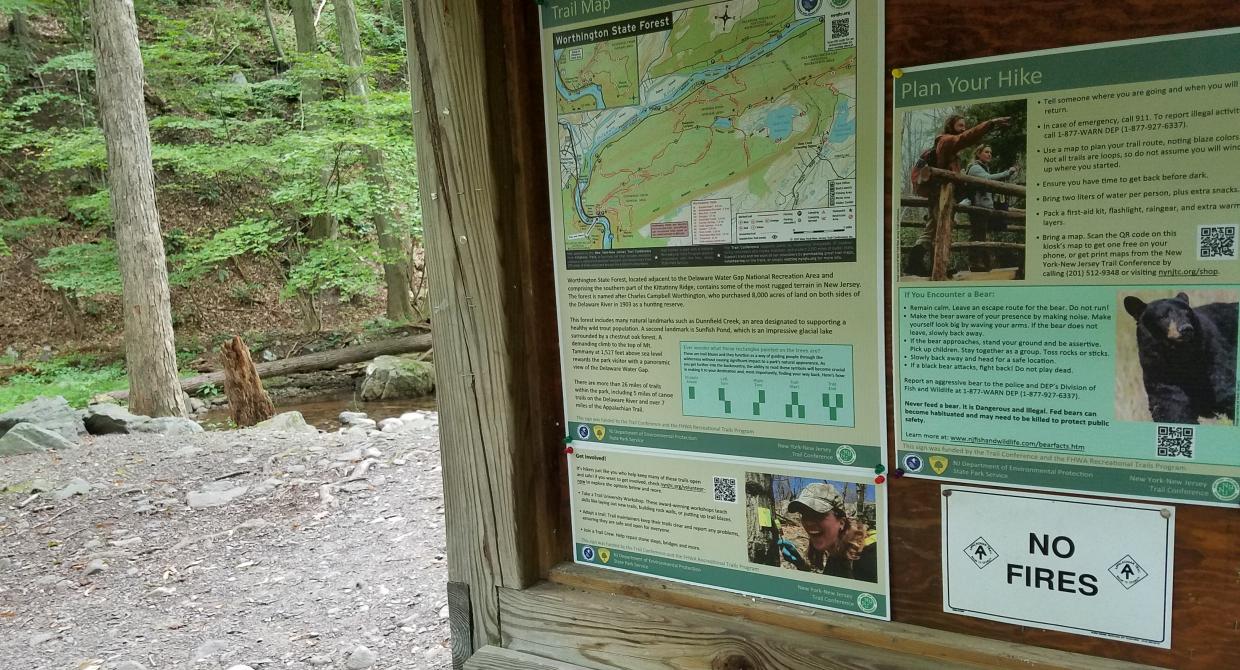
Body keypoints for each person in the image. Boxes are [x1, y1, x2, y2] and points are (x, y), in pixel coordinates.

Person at [905, 114, 1013, 277]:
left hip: (940, 193)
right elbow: (966, 138)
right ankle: (921, 265)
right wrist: (990, 123)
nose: (963, 128)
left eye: (964, 125)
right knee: (941, 226)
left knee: (934, 228)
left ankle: (927, 266)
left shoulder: (948, 148)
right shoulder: (946, 141)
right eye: (960, 125)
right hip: (941, 194)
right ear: (950, 126)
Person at [776, 483, 878, 582]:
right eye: (805, 515)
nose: (809, 522)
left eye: (818, 514)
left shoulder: (870, 556)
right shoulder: (837, 554)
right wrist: (801, 565)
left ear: (841, 522)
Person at [961, 144, 1019, 231]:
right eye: (986, 152)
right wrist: (1007, 173)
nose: (989, 154)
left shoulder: (983, 168)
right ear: (978, 154)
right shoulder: (975, 168)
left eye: (990, 152)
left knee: (982, 237)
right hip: (978, 208)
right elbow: (988, 178)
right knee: (979, 237)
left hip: (983, 208)